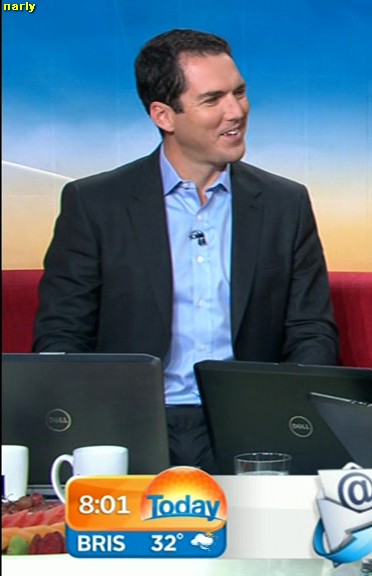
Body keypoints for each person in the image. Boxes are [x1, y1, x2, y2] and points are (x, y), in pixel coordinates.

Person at [33, 29, 339, 472]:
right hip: (130, 424)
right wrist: (92, 427)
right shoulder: (96, 204)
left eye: (239, 92)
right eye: (213, 99)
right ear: (164, 115)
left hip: (251, 424)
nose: (236, 111)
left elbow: (311, 330)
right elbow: (62, 334)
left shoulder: (283, 203)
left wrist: (290, 416)